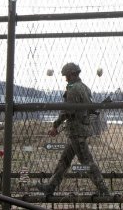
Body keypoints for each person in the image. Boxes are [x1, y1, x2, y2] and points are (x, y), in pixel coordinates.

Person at [36, 62, 109, 196]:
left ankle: (103, 190)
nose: (66, 79)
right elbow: (91, 109)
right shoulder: (85, 88)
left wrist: (55, 126)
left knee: (87, 162)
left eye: (67, 76)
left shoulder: (73, 89)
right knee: (64, 161)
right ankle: (50, 187)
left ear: (72, 74)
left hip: (76, 131)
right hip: (79, 130)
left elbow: (66, 111)